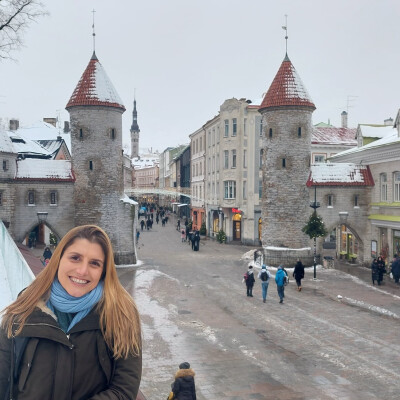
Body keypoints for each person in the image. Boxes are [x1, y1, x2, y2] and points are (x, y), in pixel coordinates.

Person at [0, 225, 142, 399]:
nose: (82, 271)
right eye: (75, 258)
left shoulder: (121, 313)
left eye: (94, 263)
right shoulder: (23, 309)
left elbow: (124, 390)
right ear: (58, 259)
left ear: (104, 271)